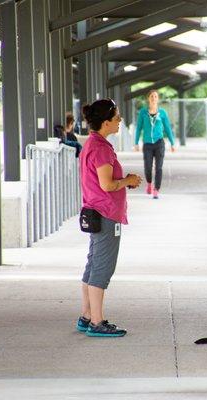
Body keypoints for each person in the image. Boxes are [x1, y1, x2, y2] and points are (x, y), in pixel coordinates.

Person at [77, 98, 142, 337]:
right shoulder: (101, 148)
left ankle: (86, 316)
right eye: (116, 118)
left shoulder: (92, 144)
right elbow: (107, 184)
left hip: (95, 211)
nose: (119, 121)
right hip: (105, 214)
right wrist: (128, 181)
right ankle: (97, 322)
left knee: (93, 264)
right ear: (105, 123)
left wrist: (123, 182)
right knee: (102, 268)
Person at [133, 89, 176, 199]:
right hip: (147, 143)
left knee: (159, 167)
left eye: (155, 96)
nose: (153, 98)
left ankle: (156, 189)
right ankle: (149, 183)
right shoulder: (143, 112)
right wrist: (136, 142)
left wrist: (172, 143)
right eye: (151, 96)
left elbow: (167, 128)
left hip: (159, 143)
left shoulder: (162, 113)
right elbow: (139, 128)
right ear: (148, 98)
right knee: (148, 167)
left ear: (158, 99)